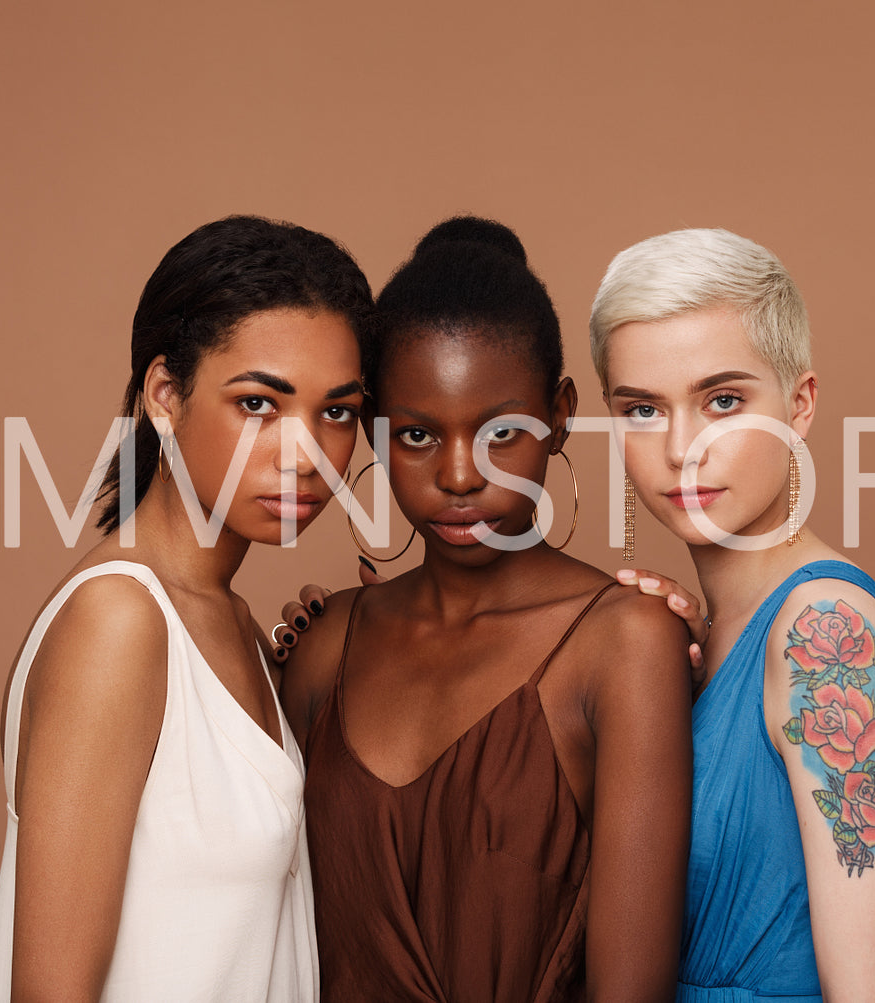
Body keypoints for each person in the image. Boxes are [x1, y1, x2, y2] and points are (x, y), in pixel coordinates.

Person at [278, 217, 692, 1002]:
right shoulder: (327, 643)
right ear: (373, 431)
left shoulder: (625, 643)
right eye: (416, 434)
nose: (459, 473)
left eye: (502, 431)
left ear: (560, 413)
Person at [0, 216, 372, 1002]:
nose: (307, 452)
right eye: (259, 402)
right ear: (165, 393)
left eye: (337, 410)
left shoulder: (239, 627)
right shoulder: (118, 620)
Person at [590, 227, 875, 1002]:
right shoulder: (703, 638)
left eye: (722, 400)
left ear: (798, 405)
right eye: (641, 409)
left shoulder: (823, 631)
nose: (681, 448)